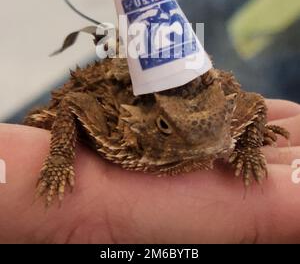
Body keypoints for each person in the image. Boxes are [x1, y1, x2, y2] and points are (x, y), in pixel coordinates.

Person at [0, 99, 300, 244]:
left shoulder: (220, 121)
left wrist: (246, 149)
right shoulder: (119, 127)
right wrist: (59, 159)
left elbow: (255, 106)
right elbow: (72, 105)